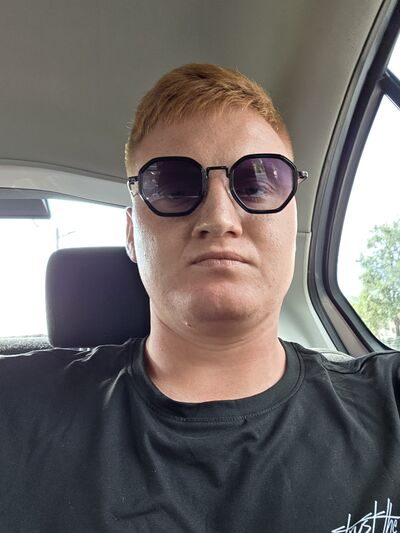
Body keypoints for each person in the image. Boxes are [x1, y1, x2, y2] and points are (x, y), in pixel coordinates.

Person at [1, 63, 399, 533]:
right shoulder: (14, 408)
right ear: (131, 234)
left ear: (293, 218)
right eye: (173, 187)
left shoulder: (390, 400)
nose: (219, 218)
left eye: (255, 184)